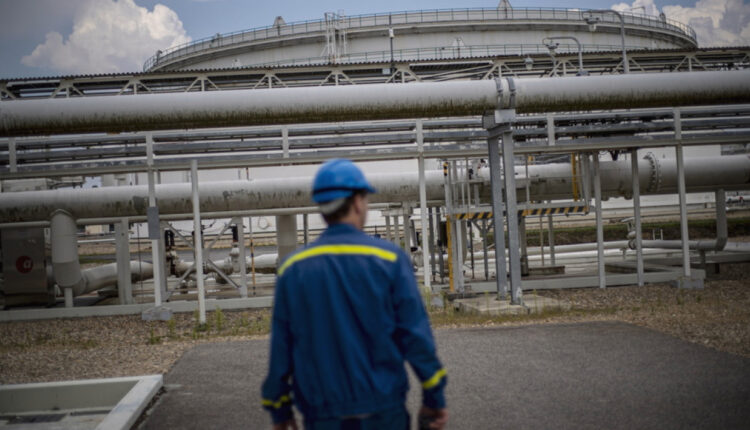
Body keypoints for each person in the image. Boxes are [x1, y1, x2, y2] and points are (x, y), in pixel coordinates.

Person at [261, 159, 448, 430]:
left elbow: (282, 348)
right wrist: (434, 397)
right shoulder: (389, 260)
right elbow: (416, 337)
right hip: (383, 411)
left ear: (322, 208)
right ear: (358, 202)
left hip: (322, 415)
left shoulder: (293, 269)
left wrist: (279, 410)